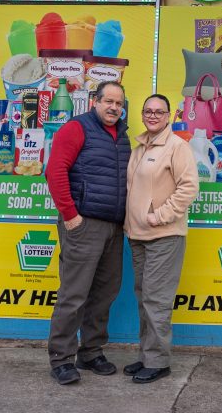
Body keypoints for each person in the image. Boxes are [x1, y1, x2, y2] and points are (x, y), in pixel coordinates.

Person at [45, 81, 130, 385]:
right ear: (95, 100)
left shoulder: (122, 136)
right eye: (108, 101)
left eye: (119, 103)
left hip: (113, 226)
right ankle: (61, 359)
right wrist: (70, 215)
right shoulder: (76, 128)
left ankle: (91, 351)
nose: (114, 108)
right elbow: (54, 170)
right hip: (83, 224)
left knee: (105, 293)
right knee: (74, 294)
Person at [123, 94, 199, 384]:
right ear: (143, 115)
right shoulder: (140, 147)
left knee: (157, 299)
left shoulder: (177, 147)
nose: (153, 115)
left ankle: (158, 361)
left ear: (169, 116)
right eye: (148, 111)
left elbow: (189, 187)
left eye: (159, 112)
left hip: (164, 235)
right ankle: (146, 355)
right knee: (144, 298)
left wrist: (161, 215)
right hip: (138, 236)